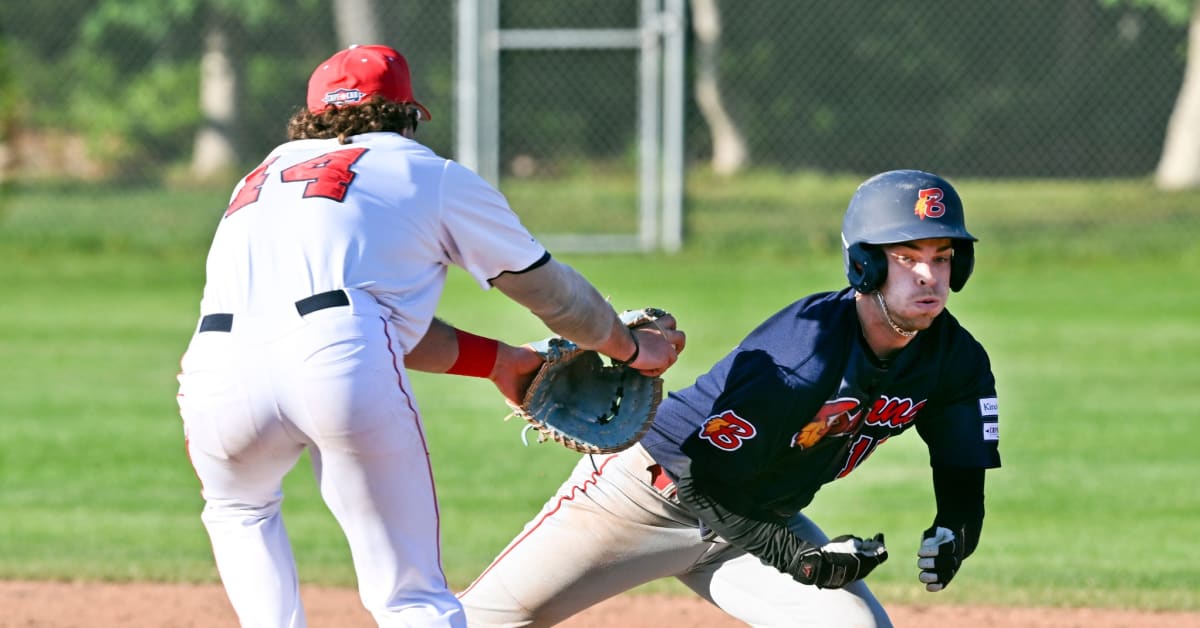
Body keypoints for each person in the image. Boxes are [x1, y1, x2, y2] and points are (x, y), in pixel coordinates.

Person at [175, 44, 686, 628]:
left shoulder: (256, 179)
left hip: (212, 371)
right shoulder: (423, 172)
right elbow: (553, 296)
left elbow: (373, 322)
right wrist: (624, 344)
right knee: (410, 599)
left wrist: (501, 363)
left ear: (311, 116)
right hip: (337, 358)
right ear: (408, 113)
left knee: (239, 508)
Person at [459, 169, 1002, 627]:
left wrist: (958, 526)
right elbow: (699, 472)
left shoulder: (956, 360)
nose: (930, 275)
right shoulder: (803, 353)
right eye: (907, 256)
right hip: (647, 500)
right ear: (867, 264)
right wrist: (799, 558)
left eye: (943, 255)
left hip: (755, 524)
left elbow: (961, 464)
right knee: (484, 621)